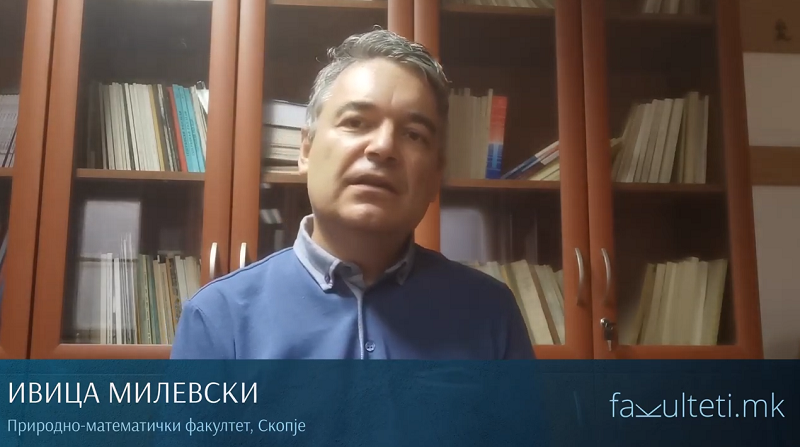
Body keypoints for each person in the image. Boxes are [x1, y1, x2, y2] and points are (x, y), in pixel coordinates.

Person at [170, 28, 534, 360]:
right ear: (306, 150)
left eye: (413, 134)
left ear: (435, 175)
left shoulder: (490, 314)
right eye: (356, 122)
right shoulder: (218, 318)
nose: (383, 147)